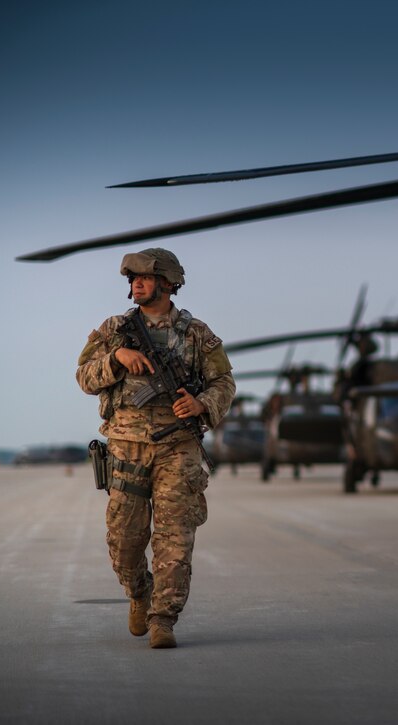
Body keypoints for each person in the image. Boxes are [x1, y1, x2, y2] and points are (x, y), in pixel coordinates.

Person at [76, 248, 236, 649]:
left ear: (167, 283)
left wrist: (201, 404)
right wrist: (117, 357)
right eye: (132, 279)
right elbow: (83, 377)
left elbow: (224, 383)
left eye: (144, 278)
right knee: (124, 539)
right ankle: (139, 592)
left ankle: (163, 618)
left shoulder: (196, 333)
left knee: (174, 539)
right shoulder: (115, 329)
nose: (136, 284)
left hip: (178, 448)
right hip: (127, 448)